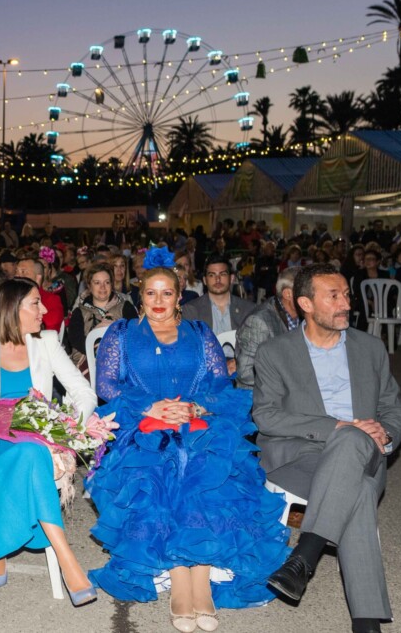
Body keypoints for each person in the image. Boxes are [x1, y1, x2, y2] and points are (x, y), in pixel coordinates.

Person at [87, 264, 291, 631]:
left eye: (167, 293)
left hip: (198, 420)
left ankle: (201, 578)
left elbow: (220, 383)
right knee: (172, 458)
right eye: (151, 293)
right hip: (142, 423)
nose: (159, 301)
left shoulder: (199, 332)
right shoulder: (120, 333)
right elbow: (107, 386)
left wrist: (196, 406)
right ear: (140, 296)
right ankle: (181, 577)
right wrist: (150, 405)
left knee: (202, 458)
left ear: (180, 296)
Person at [255, 264, 401, 633]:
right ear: (305, 303)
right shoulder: (275, 352)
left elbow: (394, 408)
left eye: (346, 294)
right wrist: (338, 426)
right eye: (334, 296)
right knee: (357, 489)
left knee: (354, 443)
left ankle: (304, 556)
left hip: (363, 450)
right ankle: (366, 622)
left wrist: (385, 433)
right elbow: (266, 417)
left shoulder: (369, 348)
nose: (346, 304)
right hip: (299, 457)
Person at [0, 278, 99, 601]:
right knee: (28, 456)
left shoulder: (46, 342)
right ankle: (66, 560)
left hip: (38, 438)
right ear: (13, 309)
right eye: (36, 303)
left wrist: (71, 426)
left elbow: (83, 392)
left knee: (31, 452)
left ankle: (0, 549)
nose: (44, 309)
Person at [64, 262, 138, 375]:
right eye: (97, 283)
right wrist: (95, 333)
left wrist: (117, 328)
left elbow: (135, 337)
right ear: (89, 285)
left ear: (111, 285)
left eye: (107, 282)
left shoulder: (126, 307)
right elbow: (76, 342)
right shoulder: (79, 312)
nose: (102, 287)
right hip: (87, 364)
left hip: (121, 364)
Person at [235, 267, 300, 390]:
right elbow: (246, 372)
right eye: (306, 290)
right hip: (264, 397)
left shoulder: (305, 316)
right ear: (288, 294)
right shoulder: (259, 322)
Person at [15, 257, 65, 331]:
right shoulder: (10, 297)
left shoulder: (51, 300)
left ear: (38, 278)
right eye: (16, 272)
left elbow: (49, 327)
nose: (17, 276)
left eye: (23, 272)